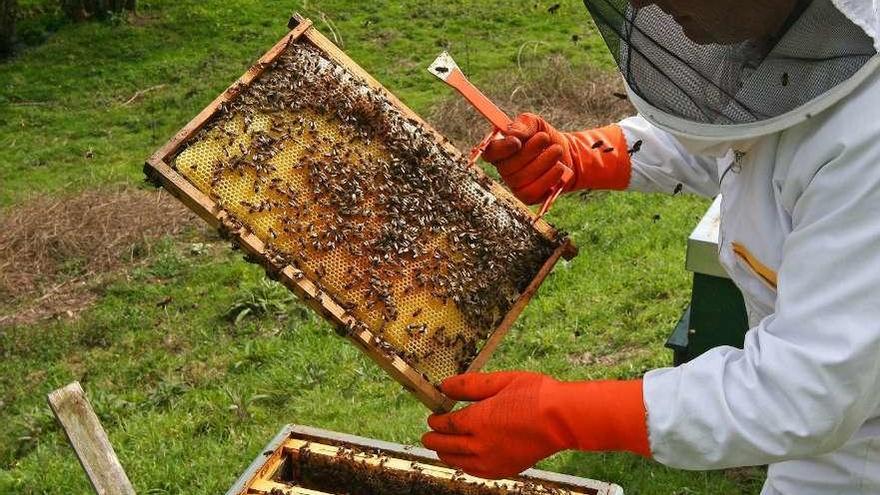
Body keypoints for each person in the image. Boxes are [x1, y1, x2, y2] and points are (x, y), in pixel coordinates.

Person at [421, 1, 880, 493]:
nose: (641, 3)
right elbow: (742, 129)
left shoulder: (867, 138)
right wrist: (582, 156)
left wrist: (565, 415)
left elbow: (803, 393)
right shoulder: (793, 40)